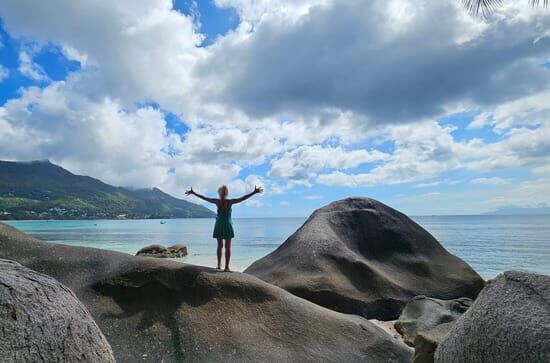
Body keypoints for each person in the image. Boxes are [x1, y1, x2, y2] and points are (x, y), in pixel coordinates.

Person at [185, 185, 263, 272]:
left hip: (219, 224)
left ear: (219, 193)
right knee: (227, 247)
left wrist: (193, 193)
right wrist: (254, 192)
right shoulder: (229, 202)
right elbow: (243, 198)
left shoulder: (217, 201)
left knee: (219, 246)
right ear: (227, 193)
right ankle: (226, 267)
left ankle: (219, 265)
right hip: (227, 225)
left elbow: (204, 198)